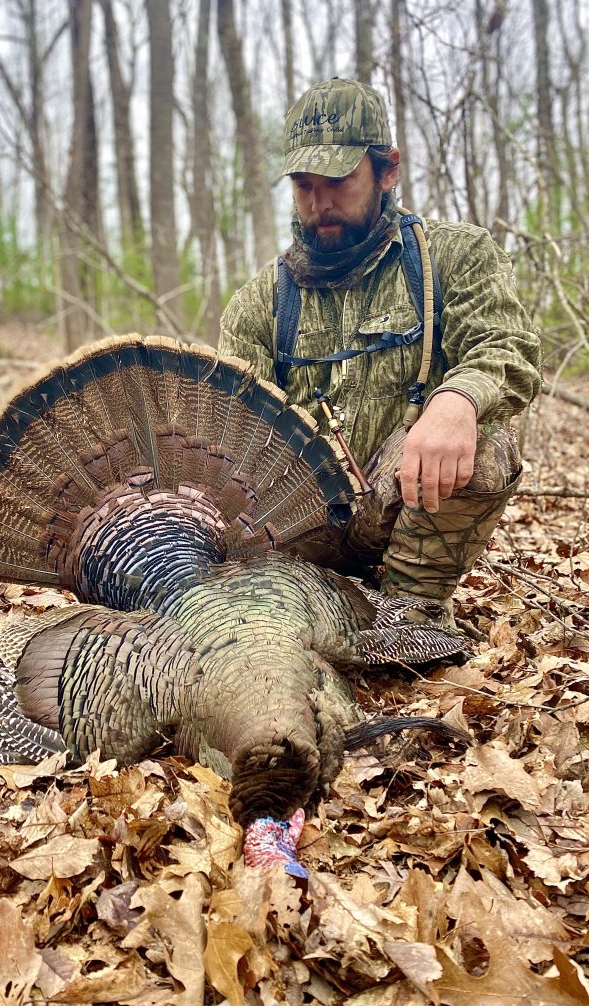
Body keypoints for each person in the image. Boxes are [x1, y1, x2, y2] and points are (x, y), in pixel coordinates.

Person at [218, 78, 541, 625]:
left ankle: (411, 611)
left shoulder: (452, 257)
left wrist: (457, 400)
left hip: (401, 506)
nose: (318, 203)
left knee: (484, 441)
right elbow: (230, 429)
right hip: (293, 530)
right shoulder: (261, 301)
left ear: (387, 171)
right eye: (302, 185)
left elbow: (507, 345)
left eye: (338, 181)